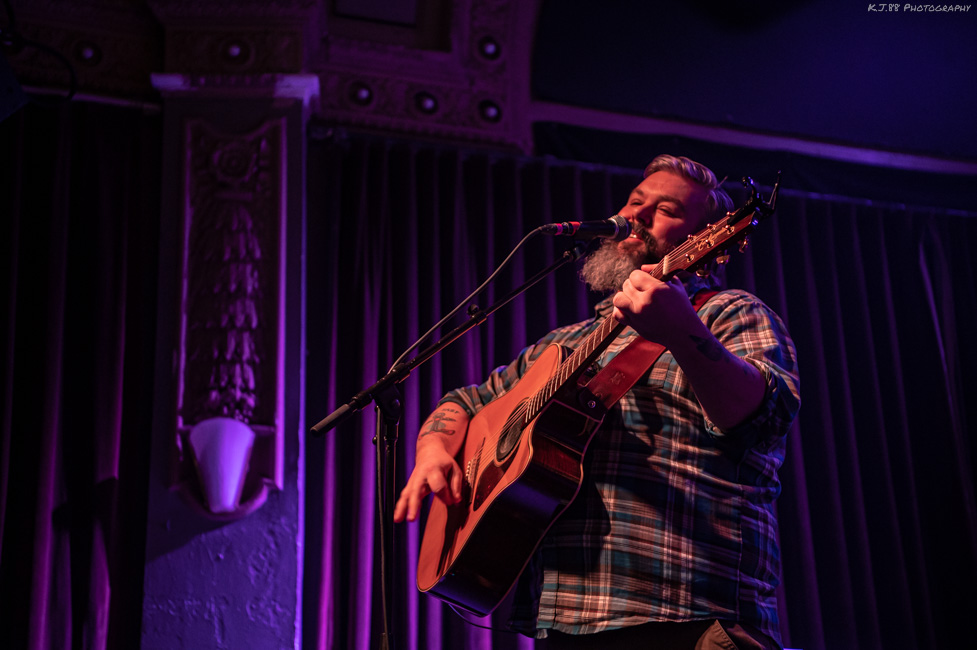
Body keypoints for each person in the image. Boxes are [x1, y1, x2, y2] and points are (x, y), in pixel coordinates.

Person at [393, 155, 801, 649]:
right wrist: (433, 449)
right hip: (563, 621)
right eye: (635, 201)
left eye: (666, 209)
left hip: (689, 614)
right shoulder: (560, 344)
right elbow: (468, 400)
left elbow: (763, 418)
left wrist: (681, 331)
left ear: (705, 238)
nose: (638, 214)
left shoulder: (729, 313)